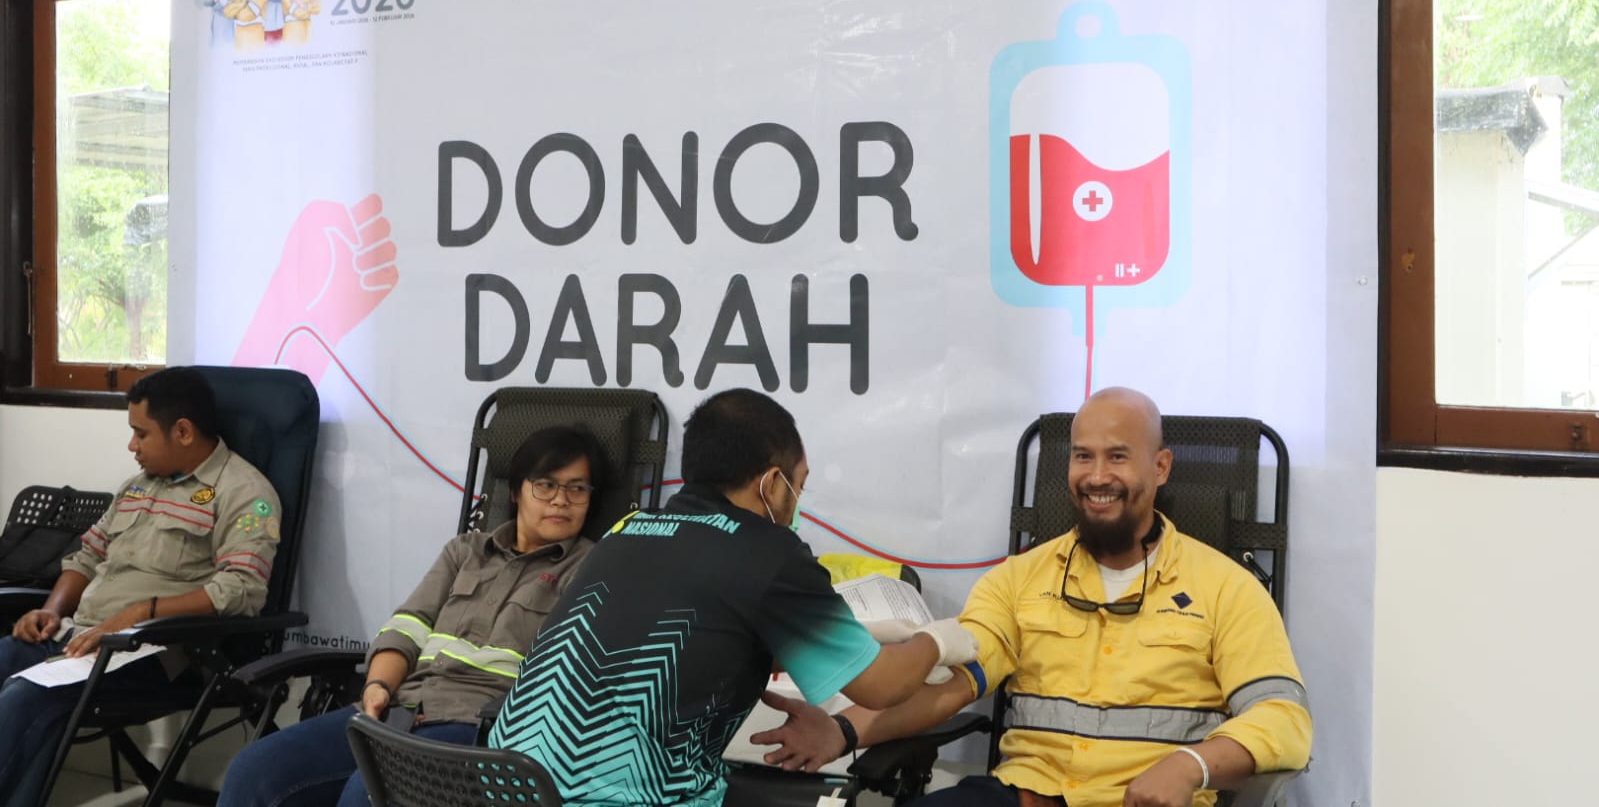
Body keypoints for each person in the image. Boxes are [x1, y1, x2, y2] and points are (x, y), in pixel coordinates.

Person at [753, 387, 1312, 807]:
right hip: (1024, 797)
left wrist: (1192, 765)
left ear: (1160, 466)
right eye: (1083, 456)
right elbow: (952, 686)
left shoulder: (1227, 588)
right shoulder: (1019, 579)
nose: (1097, 476)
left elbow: (1283, 718)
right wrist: (842, 730)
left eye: (1118, 457)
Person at [489, 388, 979, 807]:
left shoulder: (628, 530)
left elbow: (698, 637)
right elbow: (883, 686)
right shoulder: (769, 552)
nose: (797, 500)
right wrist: (937, 642)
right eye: (799, 484)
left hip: (497, 786)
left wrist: (859, 637)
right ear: (772, 483)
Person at [216, 425, 609, 807]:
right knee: (253, 771)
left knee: (369, 792)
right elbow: (407, 626)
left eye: (577, 488)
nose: (561, 500)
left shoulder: (593, 569)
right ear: (517, 491)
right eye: (546, 485)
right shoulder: (465, 551)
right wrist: (377, 687)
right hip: (399, 708)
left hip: (480, 726)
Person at [0, 368, 281, 807]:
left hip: (149, 653)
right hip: (80, 636)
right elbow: (88, 555)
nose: (132, 446)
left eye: (141, 433)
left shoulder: (244, 493)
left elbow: (241, 589)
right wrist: (53, 610)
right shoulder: (136, 488)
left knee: (28, 698)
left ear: (183, 431)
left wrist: (139, 615)